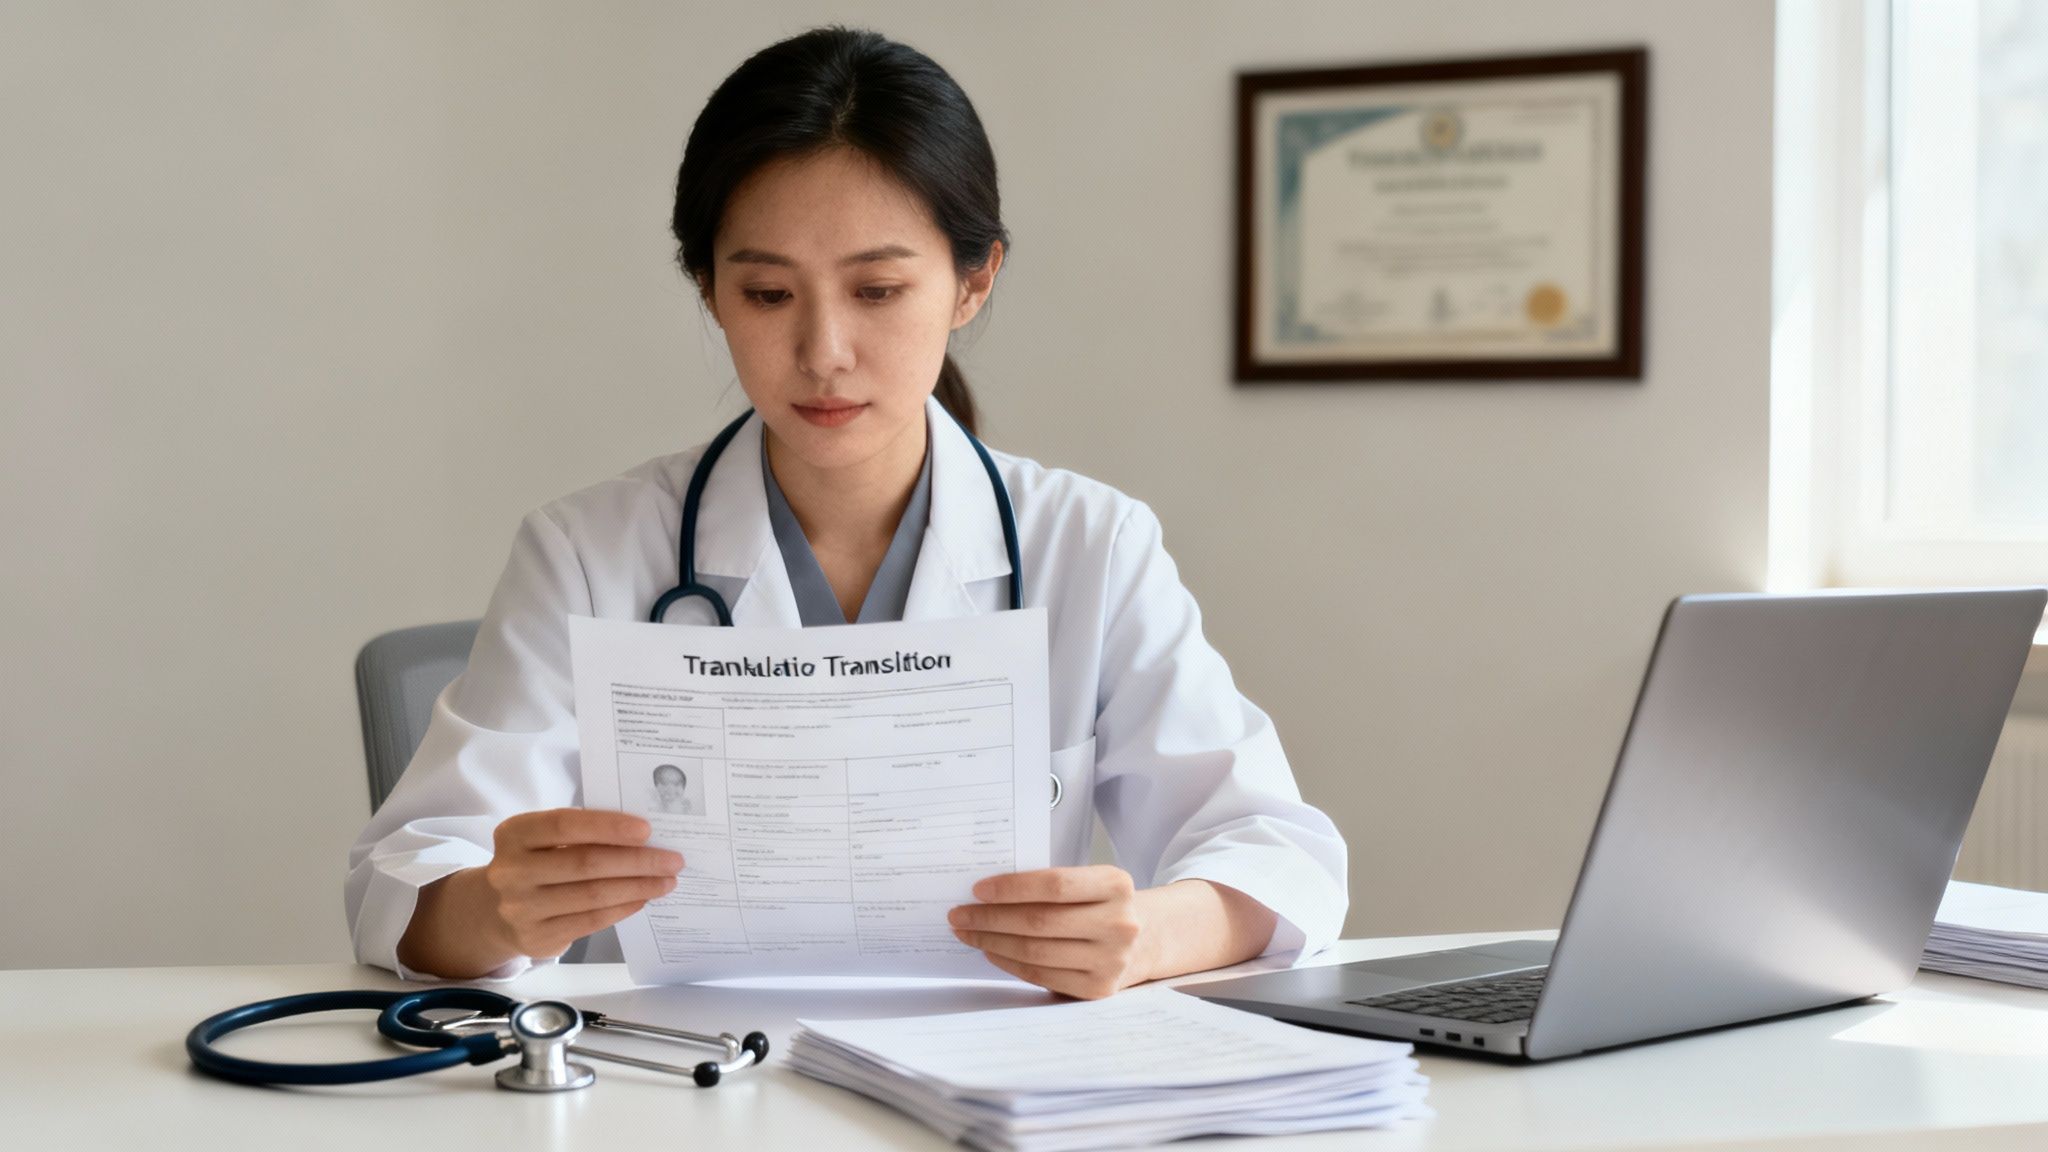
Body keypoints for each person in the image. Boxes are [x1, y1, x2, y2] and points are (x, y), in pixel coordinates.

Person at [345, 24, 1346, 1000]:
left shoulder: (1088, 545)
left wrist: (1144, 936)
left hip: (986, 1083)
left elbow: (1273, 851)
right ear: (708, 290)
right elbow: (404, 883)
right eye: (769, 294)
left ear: (972, 280)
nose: (824, 350)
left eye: (875, 288)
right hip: (689, 1087)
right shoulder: (589, 552)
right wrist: (495, 909)